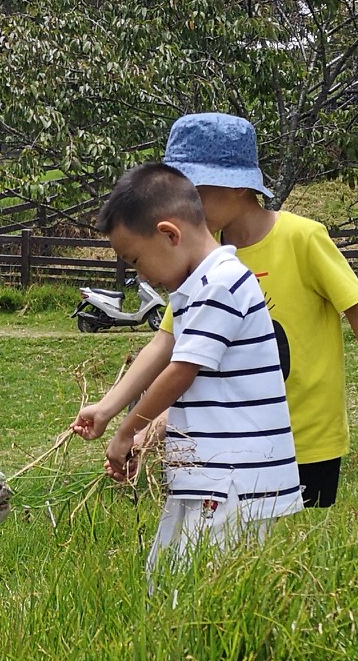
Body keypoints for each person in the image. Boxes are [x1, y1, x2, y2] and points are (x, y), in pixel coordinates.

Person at [72, 113, 358, 509]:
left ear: (238, 186)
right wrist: (115, 410)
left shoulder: (301, 237)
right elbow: (169, 344)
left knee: (292, 544)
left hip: (306, 434)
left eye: (194, 192)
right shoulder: (194, 263)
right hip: (231, 441)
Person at [90, 163, 302, 573]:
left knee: (206, 594)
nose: (139, 274)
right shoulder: (195, 288)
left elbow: (180, 370)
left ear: (170, 234)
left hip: (237, 480)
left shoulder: (221, 284)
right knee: (166, 577)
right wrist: (105, 408)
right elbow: (165, 343)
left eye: (136, 259)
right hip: (209, 475)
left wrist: (127, 430)